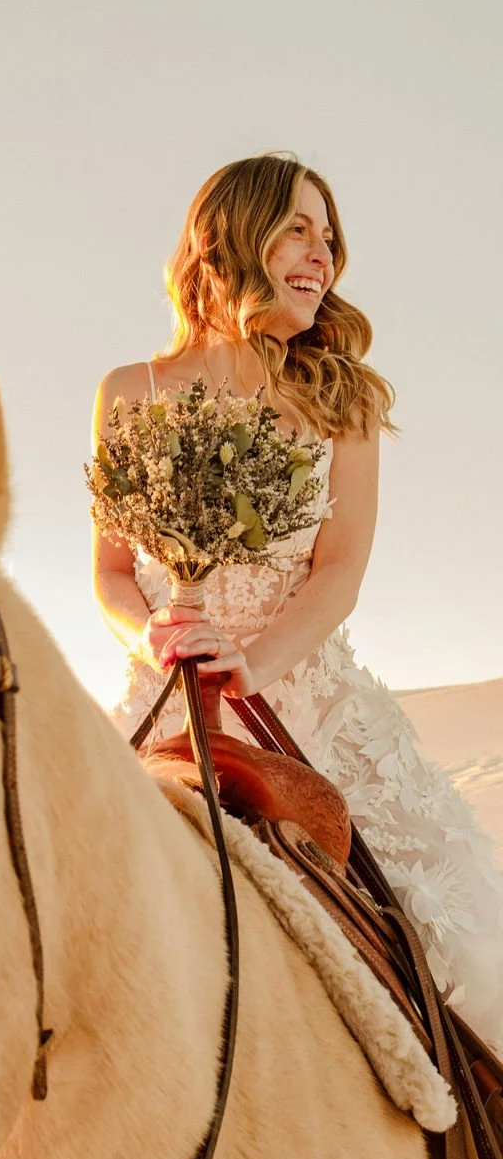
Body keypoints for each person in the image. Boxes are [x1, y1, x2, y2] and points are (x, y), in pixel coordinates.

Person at [91, 151, 503, 1056]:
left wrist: (254, 665)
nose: (324, 255)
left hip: (311, 703)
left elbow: (340, 571)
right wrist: (153, 630)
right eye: (297, 229)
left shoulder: (341, 399)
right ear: (231, 238)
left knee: (456, 956)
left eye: (330, 235)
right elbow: (113, 573)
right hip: (164, 697)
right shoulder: (131, 393)